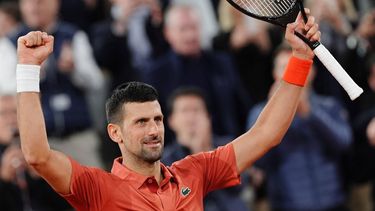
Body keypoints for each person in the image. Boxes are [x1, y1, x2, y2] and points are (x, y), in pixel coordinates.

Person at [15, 9, 321, 210]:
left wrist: (300, 58)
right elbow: (38, 156)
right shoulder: (98, 189)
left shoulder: (194, 172)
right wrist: (28, 69)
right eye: (141, 122)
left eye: (158, 119)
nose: (153, 130)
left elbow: (266, 134)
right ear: (115, 132)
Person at [247, 44, 353, 211]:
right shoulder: (260, 113)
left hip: (334, 203)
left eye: (299, 64)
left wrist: (310, 113)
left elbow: (344, 142)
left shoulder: (328, 105)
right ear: (275, 74)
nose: (292, 72)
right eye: (285, 67)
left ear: (312, 71)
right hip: (287, 205)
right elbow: (258, 161)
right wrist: (276, 115)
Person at [2, 0, 105, 167]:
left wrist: (74, 69)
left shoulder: (73, 35)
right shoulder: (11, 42)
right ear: (21, 5)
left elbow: (96, 82)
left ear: (55, 4)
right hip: (37, 142)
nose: (35, 6)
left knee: (94, 191)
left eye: (41, 1)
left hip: (78, 135)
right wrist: (32, 71)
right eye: (29, 2)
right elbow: (5, 90)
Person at [144, 4, 250, 140]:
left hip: (227, 145)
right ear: (168, 33)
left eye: (193, 27)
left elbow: (242, 108)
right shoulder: (156, 73)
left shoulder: (221, 63)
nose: (190, 35)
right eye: (183, 29)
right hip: (177, 154)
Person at [162, 87, 249, 211]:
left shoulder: (227, 145)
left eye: (196, 110)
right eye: (185, 111)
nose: (191, 117)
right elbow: (180, 198)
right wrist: (197, 153)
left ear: (208, 117)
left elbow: (241, 184)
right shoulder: (165, 162)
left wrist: (207, 149)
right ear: (171, 121)